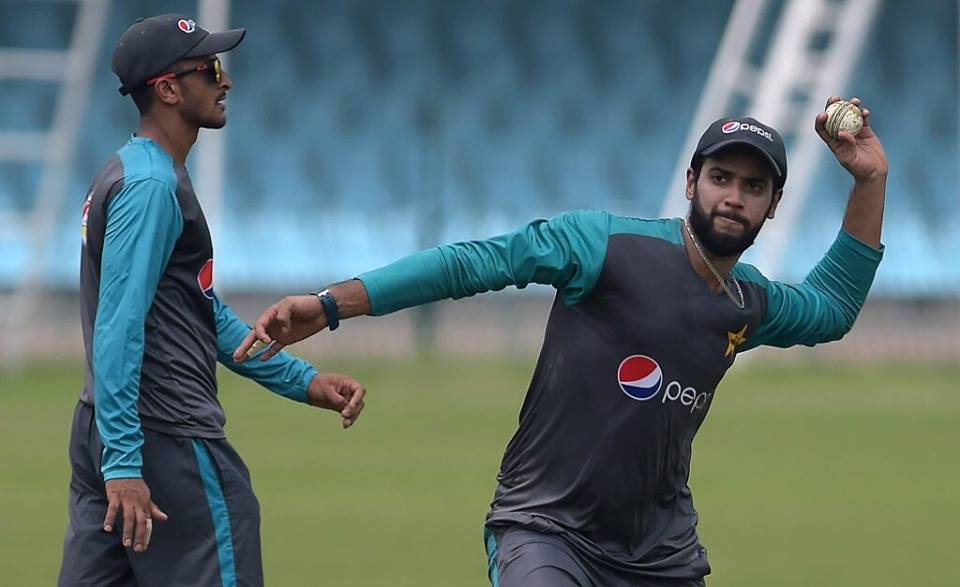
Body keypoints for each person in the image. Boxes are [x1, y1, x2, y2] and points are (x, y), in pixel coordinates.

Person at [234, 98, 887, 586]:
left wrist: (869, 182)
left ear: (774, 204)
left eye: (753, 187)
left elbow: (831, 309)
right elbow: (473, 263)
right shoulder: (604, 244)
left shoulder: (748, 301)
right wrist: (331, 304)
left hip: (659, 555)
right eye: (721, 177)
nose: (734, 197)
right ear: (691, 183)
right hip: (545, 530)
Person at [59, 14, 366, 587]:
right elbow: (119, 328)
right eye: (209, 69)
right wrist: (125, 461)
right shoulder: (151, 188)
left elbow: (200, 312)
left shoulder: (138, 170)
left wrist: (302, 381)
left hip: (109, 426)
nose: (225, 81)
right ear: (167, 89)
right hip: (164, 435)